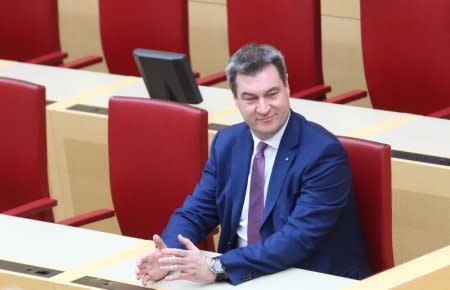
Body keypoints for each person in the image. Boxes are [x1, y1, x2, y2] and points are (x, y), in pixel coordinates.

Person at [135, 43, 372, 286]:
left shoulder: (323, 154)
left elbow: (296, 239)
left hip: (307, 276)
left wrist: (217, 267)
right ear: (235, 99)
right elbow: (196, 212)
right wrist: (168, 258)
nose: (263, 108)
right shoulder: (227, 143)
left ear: (287, 86)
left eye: (272, 94)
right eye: (250, 98)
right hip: (243, 275)